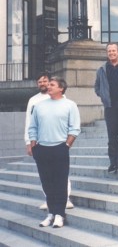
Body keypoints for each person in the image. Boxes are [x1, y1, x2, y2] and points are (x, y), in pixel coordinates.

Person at [28, 76, 81, 228]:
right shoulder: (39, 106)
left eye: (52, 84)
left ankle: (60, 214)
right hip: (42, 149)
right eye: (48, 84)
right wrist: (33, 144)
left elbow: (75, 128)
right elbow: (33, 127)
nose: (48, 86)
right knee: (47, 183)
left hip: (60, 148)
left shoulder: (70, 105)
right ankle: (51, 213)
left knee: (60, 182)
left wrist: (66, 145)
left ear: (61, 88)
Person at [94, 43, 118, 174]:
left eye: (114, 51)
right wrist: (104, 97)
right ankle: (113, 163)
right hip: (110, 106)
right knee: (112, 136)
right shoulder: (102, 69)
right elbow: (97, 88)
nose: (111, 53)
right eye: (109, 51)